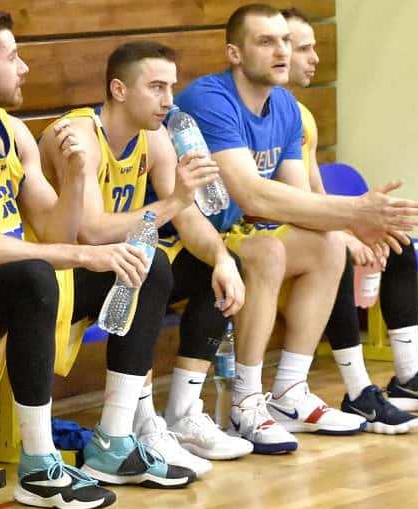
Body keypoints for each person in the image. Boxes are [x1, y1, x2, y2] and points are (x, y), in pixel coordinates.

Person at [0, 10, 192, 509]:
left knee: (146, 263)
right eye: (13, 57)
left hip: (8, 281)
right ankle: (37, 463)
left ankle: (113, 441)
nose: (24, 67)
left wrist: (75, 180)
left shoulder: (14, 133)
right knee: (35, 275)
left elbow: (54, 230)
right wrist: (76, 254)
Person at [174, 4, 418, 452]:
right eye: (266, 42)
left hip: (228, 235)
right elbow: (253, 194)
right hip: (179, 236)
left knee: (327, 246)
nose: (282, 52)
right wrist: (356, 210)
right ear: (234, 53)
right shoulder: (210, 100)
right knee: (269, 251)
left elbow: (299, 200)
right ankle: (246, 402)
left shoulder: (286, 107)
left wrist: (351, 225)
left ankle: (289, 392)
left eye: (285, 41)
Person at [38, 40, 255, 471]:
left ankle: (183, 415)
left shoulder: (154, 138)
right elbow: (90, 231)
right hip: (56, 272)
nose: (168, 100)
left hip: (112, 267)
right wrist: (174, 201)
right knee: (149, 264)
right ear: (119, 90)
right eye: (156, 87)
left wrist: (223, 258)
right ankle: (132, 425)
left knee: (215, 265)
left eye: (171, 87)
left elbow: (188, 217)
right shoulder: (78, 136)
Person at [284, 9, 418, 419]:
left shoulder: (303, 117)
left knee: (396, 242)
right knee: (335, 253)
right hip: (280, 232)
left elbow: (316, 193)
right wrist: (342, 234)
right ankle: (357, 390)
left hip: (311, 220)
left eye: (314, 48)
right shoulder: (259, 115)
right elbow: (286, 201)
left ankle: (408, 376)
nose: (314, 58)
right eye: (304, 49)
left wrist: (356, 225)